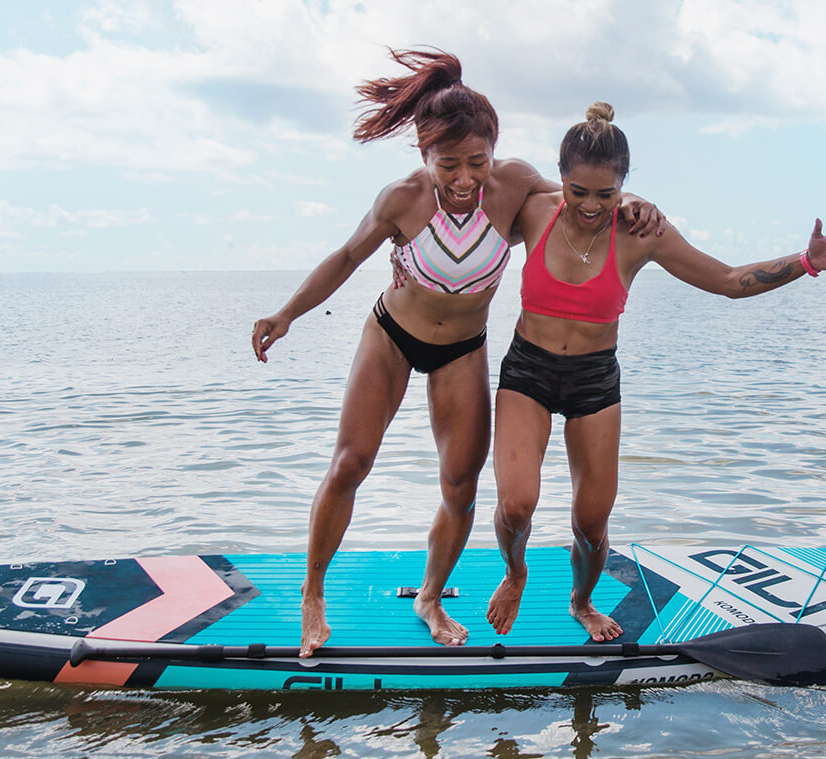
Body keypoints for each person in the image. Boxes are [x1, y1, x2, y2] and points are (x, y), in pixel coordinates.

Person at [250, 52, 663, 657]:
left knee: (461, 486)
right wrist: (287, 313)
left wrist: (636, 204)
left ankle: (430, 597)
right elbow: (344, 259)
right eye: (449, 165)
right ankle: (314, 593)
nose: (465, 178)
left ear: (495, 152)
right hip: (391, 335)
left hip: (462, 349)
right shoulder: (402, 200)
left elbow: (585, 199)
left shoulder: (516, 184)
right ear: (424, 155)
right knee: (350, 463)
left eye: (477, 162)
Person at [486, 102, 826, 642]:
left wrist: (806, 262)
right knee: (515, 504)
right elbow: (470, 212)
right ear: (561, 179)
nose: (591, 206)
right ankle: (516, 572)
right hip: (527, 370)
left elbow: (725, 279)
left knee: (591, 522)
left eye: (607, 194)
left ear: (624, 185)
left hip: (594, 381)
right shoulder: (534, 212)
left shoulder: (642, 232)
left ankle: (581, 602)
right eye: (579, 192)